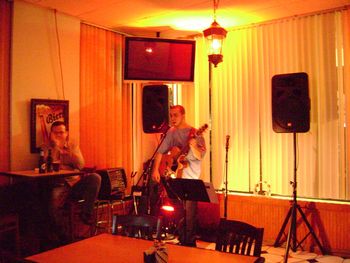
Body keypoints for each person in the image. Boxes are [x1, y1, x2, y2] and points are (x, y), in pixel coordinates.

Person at [151, 105, 206, 246]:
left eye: (175, 115)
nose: (172, 118)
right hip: (177, 176)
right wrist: (155, 170)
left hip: (191, 177)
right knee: (180, 212)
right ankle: (183, 240)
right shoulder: (171, 132)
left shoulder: (195, 133)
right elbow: (161, 151)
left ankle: (190, 243)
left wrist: (193, 145)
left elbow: (201, 156)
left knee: (190, 213)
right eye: (171, 115)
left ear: (183, 115)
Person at [42, 121, 101, 243]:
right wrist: (56, 147)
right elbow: (46, 166)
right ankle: (64, 237)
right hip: (58, 184)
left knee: (95, 177)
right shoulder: (46, 146)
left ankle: (86, 213)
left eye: (61, 132)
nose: (59, 135)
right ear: (51, 134)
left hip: (74, 184)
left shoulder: (73, 145)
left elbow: (80, 165)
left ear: (66, 133)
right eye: (55, 132)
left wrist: (69, 152)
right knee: (53, 207)